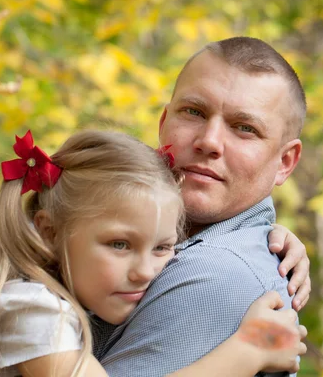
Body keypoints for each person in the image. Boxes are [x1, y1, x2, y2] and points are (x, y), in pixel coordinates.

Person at [0, 130, 307, 377]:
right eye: (120, 245)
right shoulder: (28, 308)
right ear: (49, 231)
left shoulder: (22, 256)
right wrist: (249, 350)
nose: (145, 272)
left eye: (163, 246)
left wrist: (259, 236)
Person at [92, 37, 308, 377]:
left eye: (244, 128)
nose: (208, 141)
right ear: (163, 124)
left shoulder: (217, 274)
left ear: (284, 162)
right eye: (194, 112)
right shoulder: (104, 215)